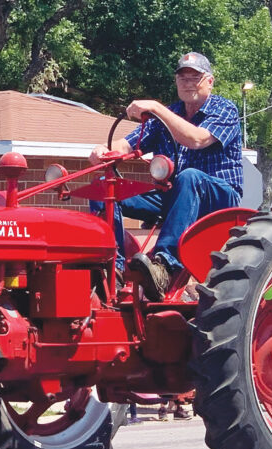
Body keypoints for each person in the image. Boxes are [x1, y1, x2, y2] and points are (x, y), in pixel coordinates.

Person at [89, 52, 242, 300]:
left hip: (219, 199)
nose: (189, 82)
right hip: (173, 195)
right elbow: (126, 145)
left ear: (210, 81)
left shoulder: (224, 109)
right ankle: (111, 268)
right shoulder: (167, 115)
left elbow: (196, 139)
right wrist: (104, 150)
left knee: (190, 176)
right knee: (105, 188)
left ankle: (165, 266)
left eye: (196, 77)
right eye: (183, 77)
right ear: (176, 82)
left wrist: (156, 107)